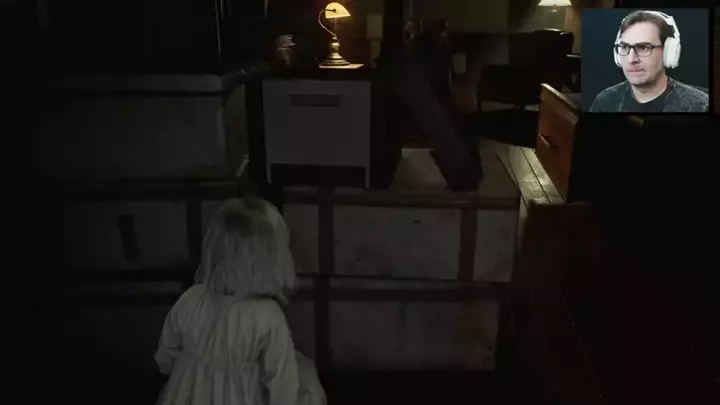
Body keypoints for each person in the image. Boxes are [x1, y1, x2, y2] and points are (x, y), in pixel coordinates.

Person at [154, 198, 326, 405]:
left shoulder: (191, 297)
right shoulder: (268, 314)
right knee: (307, 383)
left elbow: (166, 353)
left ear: (213, 249)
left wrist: (185, 373)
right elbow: (281, 380)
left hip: (187, 395)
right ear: (274, 257)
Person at [589, 10, 709, 113]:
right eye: (624, 47)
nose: (631, 59)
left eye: (643, 47)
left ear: (668, 52)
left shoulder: (700, 106)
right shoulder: (606, 101)